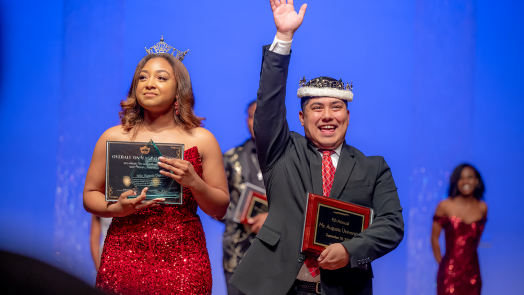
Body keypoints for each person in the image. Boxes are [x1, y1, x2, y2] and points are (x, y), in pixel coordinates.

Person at [230, 1, 404, 294]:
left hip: (343, 286)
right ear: (301, 117)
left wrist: (351, 250)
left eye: (336, 107)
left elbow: (392, 225)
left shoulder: (373, 167)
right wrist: (283, 38)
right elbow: (269, 107)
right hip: (277, 285)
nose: (327, 115)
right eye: (316, 108)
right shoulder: (282, 151)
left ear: (347, 117)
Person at [83, 37, 229, 295]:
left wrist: (194, 183)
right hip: (123, 252)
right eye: (142, 77)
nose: (149, 83)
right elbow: (89, 196)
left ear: (179, 89)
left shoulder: (202, 140)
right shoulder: (113, 137)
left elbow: (220, 208)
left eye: (161, 78)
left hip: (184, 258)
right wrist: (117, 208)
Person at [221, 100, 267, 295]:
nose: (257, 121)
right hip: (237, 253)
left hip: (280, 257)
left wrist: (273, 219)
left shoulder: (292, 160)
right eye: (251, 116)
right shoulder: (230, 158)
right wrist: (240, 215)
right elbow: (216, 205)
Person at [431, 164, 487, 295]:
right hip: (449, 273)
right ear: (456, 182)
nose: (466, 181)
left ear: (476, 181)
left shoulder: (482, 208)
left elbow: (475, 241)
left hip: (473, 272)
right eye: (461, 178)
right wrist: (442, 265)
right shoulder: (445, 206)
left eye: (470, 177)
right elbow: (434, 238)